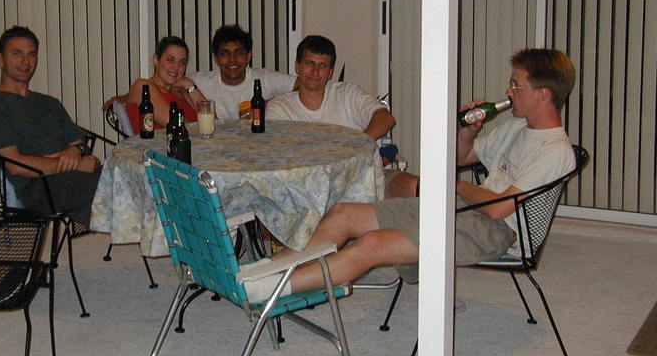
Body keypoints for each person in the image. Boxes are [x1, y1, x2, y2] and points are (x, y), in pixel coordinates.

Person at [244, 48, 576, 302]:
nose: (508, 91)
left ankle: (271, 288)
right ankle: (268, 268)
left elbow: (499, 208)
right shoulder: (518, 127)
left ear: (541, 94)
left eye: (516, 85)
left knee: (372, 243)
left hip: (497, 231)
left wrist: (456, 187)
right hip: (463, 209)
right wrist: (467, 129)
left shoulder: (554, 150)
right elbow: (462, 157)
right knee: (344, 214)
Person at [0, 26, 101, 225]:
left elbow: (80, 143)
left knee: (130, 179)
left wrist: (75, 151)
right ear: (0, 59)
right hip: (37, 189)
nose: (26, 61)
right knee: (115, 186)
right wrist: (76, 163)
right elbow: (16, 166)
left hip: (74, 180)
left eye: (31, 55)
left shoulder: (49, 103)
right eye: (17, 54)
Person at [266, 35, 395, 140]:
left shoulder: (347, 94)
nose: (315, 72)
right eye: (309, 63)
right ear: (297, 66)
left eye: (322, 66)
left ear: (330, 72)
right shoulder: (280, 108)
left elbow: (385, 119)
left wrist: (359, 146)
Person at [189, 24, 297, 120]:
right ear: (216, 58)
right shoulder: (202, 81)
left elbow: (302, 85)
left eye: (239, 53)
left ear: (248, 56)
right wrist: (187, 84)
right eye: (225, 54)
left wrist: (264, 105)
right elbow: (178, 83)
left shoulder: (263, 79)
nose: (232, 60)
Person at [122, 36, 207, 134]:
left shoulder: (182, 90)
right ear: (156, 60)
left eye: (182, 63)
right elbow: (176, 125)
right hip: (162, 143)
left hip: (195, 141)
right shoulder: (143, 87)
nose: (176, 67)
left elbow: (212, 121)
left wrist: (188, 83)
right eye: (170, 60)